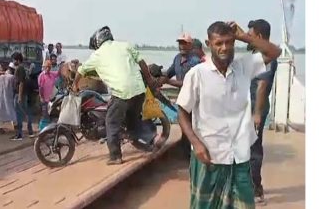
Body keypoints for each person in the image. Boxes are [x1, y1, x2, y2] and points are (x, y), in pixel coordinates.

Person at [176, 21, 281, 208]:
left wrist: (243, 36)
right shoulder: (197, 74)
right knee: (204, 205)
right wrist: (196, 143)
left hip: (239, 156)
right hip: (209, 156)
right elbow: (182, 111)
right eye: (218, 43)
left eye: (229, 42)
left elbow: (274, 53)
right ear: (209, 45)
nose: (224, 48)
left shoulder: (244, 66)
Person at [72, 26, 162, 165]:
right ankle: (146, 142)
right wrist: (149, 80)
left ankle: (115, 156)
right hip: (139, 91)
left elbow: (81, 70)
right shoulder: (125, 45)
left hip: (122, 92)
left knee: (111, 122)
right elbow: (142, 62)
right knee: (132, 120)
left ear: (97, 42)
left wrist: (74, 84)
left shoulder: (97, 55)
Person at [247, 19, 278, 205]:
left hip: (255, 109)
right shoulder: (257, 53)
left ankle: (256, 190)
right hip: (248, 107)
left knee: (253, 149)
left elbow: (261, 86)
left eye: (250, 35)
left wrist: (257, 113)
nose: (248, 38)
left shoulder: (266, 56)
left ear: (258, 36)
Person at [162, 33, 202, 159]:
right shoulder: (177, 58)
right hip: (183, 98)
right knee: (184, 125)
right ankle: (186, 154)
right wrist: (158, 77)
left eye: (185, 43)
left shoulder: (195, 62)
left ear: (190, 45)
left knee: (192, 126)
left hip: (195, 99)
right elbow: (169, 73)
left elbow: (187, 83)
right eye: (180, 43)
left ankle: (192, 154)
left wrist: (167, 82)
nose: (182, 46)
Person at [11, 52, 34, 140]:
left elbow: (21, 83)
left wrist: (19, 96)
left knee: (19, 114)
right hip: (23, 94)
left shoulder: (19, 68)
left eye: (13, 60)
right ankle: (30, 131)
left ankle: (19, 134)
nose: (13, 61)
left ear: (17, 60)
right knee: (26, 112)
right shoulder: (22, 68)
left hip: (20, 94)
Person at [0, 64, 17, 135]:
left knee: (1, 113)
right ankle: (15, 126)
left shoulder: (0, 77)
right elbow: (15, 87)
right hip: (9, 97)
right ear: (13, 70)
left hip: (1, 98)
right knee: (12, 111)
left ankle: (0, 128)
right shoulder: (12, 77)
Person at [38, 60, 60, 129]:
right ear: (44, 67)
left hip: (51, 98)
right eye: (46, 67)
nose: (48, 69)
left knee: (50, 114)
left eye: (49, 67)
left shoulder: (51, 74)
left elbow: (59, 73)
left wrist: (63, 65)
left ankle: (48, 128)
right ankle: (42, 129)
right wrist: (41, 97)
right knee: (45, 114)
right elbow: (40, 88)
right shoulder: (41, 76)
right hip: (44, 98)